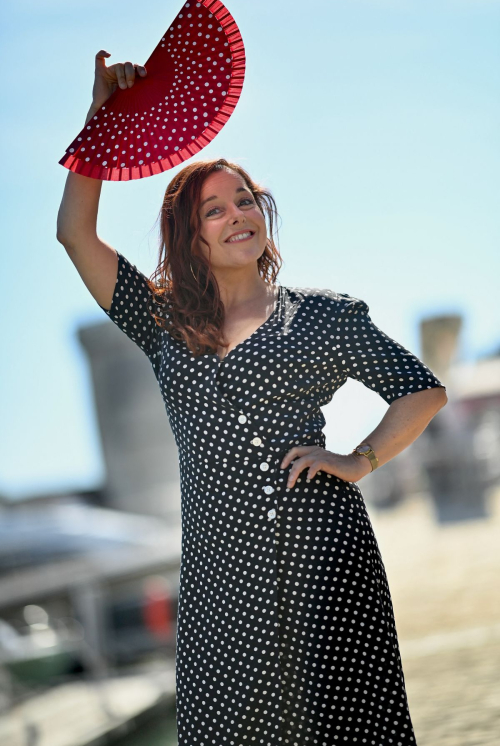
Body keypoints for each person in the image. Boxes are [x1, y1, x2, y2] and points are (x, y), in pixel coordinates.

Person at [57, 51, 448, 746]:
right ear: (189, 235)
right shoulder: (162, 323)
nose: (237, 215)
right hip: (219, 572)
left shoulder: (324, 316)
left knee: (351, 725)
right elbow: (74, 233)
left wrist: (359, 460)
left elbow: (421, 391)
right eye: (214, 209)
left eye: (245, 201)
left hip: (326, 555)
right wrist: (102, 120)